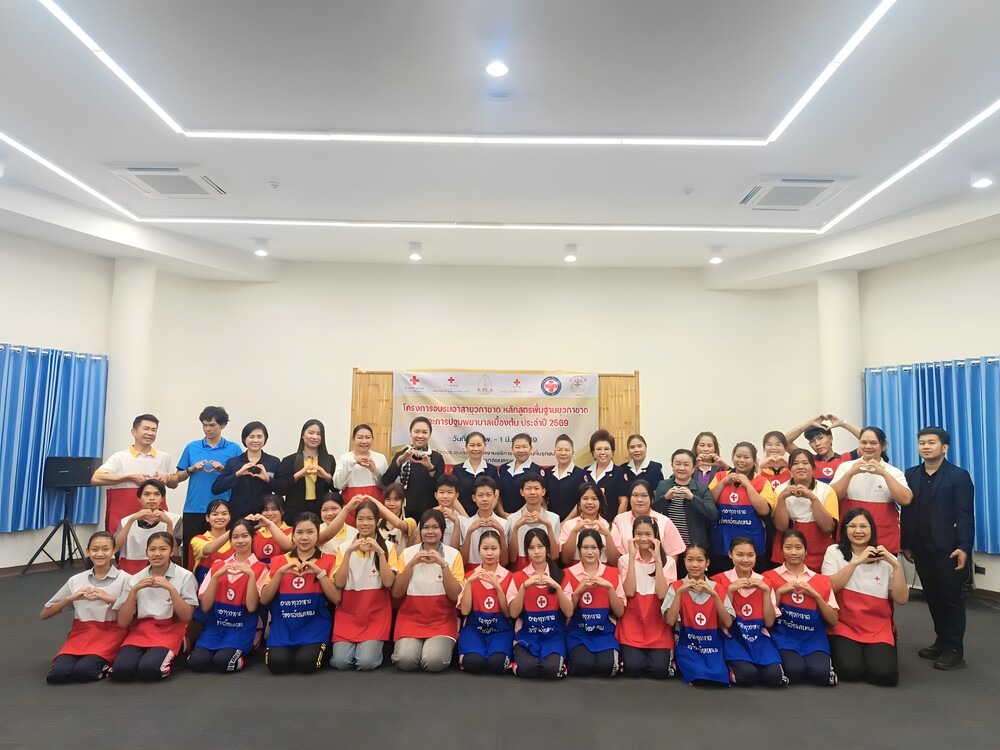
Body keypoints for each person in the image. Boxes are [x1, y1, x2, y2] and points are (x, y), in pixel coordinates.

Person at [902, 426, 975, 671]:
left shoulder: (958, 476)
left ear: (944, 447)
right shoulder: (911, 474)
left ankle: (954, 648)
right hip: (920, 547)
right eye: (922, 442)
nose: (925, 446)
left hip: (948, 548)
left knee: (950, 598)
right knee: (932, 596)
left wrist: (964, 547)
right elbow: (907, 512)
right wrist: (906, 544)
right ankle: (941, 640)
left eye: (931, 442)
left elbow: (965, 515)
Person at [822, 508, 908, 686]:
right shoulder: (834, 551)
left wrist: (896, 566)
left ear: (872, 529)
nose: (858, 531)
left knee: (885, 675)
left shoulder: (885, 558)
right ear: (845, 529)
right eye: (852, 526)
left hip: (877, 627)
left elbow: (901, 599)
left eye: (863, 526)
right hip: (844, 624)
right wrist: (856, 562)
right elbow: (829, 587)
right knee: (850, 670)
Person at [41, 531, 128, 683]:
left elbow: (134, 613)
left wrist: (109, 599)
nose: (99, 554)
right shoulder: (76, 580)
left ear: (114, 550)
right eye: (94, 549)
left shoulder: (126, 579)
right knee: (56, 675)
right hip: (81, 633)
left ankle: (108, 665)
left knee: (84, 672)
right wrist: (70, 598)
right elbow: (44, 614)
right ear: (88, 551)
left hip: (111, 633)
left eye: (105, 549)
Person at [111, 532, 198, 681]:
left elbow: (186, 616)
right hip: (142, 630)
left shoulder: (185, 576)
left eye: (163, 549)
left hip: (171, 629)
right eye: (152, 549)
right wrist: (134, 591)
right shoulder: (136, 578)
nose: (157, 554)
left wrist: (171, 588)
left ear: (171, 551)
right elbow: (123, 622)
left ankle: (179, 656)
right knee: (121, 670)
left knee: (150, 670)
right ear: (146, 552)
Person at [259, 512, 338, 674]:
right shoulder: (278, 561)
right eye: (300, 532)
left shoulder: (329, 560)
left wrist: (320, 573)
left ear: (318, 535)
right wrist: (280, 573)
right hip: (283, 628)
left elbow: (336, 598)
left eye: (310, 532)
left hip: (314, 628)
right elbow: (264, 599)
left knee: (306, 663)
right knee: (277, 664)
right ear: (293, 535)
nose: (304, 537)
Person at [188, 518, 267, 673]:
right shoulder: (218, 566)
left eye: (245, 536)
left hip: (242, 628)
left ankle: (250, 648)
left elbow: (251, 607)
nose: (240, 541)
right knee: (197, 663)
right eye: (235, 537)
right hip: (216, 627)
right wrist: (216, 577)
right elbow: (205, 606)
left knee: (222, 663)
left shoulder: (261, 568)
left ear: (253, 537)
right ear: (230, 540)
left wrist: (251, 576)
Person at [390, 509, 465, 672]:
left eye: (435, 527)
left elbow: (455, 596)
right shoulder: (407, 554)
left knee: (433, 662)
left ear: (442, 530)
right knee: (405, 661)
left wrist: (443, 565)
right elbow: (396, 593)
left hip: (442, 621)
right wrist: (411, 564)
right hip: (411, 620)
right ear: (420, 530)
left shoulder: (454, 555)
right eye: (426, 527)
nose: (430, 531)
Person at [763, 530, 839, 686]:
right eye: (788, 547)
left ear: (806, 550)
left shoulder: (822, 580)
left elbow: (833, 620)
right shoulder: (768, 577)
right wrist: (779, 592)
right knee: (794, 671)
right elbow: (767, 621)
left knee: (821, 674)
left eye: (798, 547)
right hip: (784, 638)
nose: (793, 552)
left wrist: (816, 596)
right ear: (781, 550)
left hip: (814, 641)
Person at [330, 501, 398, 671]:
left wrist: (380, 552)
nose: (365, 523)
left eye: (369, 519)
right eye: (360, 519)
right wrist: (348, 553)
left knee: (366, 663)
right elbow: (339, 582)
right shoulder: (344, 548)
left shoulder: (388, 547)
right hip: (348, 615)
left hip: (376, 615)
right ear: (355, 521)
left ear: (377, 521)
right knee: (342, 663)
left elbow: (388, 582)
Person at [711, 537, 786, 687]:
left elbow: (769, 622)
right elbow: (719, 623)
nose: (745, 560)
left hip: (759, 638)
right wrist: (730, 591)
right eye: (740, 554)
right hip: (732, 638)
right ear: (730, 554)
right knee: (746, 675)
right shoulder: (717, 580)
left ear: (756, 556)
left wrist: (765, 591)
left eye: (750, 555)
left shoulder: (765, 581)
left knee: (775, 676)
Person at [174, 406, 243, 566]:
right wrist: (191, 469)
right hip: (194, 508)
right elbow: (178, 476)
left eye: (212, 425)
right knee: (190, 555)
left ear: (223, 425)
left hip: (222, 511)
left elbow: (240, 479)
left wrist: (223, 469)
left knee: (223, 553)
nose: (208, 429)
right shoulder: (192, 447)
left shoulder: (234, 449)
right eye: (205, 425)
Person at [831, 426, 912, 553]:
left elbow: (905, 500)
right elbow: (832, 497)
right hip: (851, 536)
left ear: (883, 446)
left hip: (883, 538)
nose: (868, 446)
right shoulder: (845, 467)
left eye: (873, 443)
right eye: (863, 442)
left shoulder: (893, 471)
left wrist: (884, 473)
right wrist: (850, 473)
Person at [92, 414, 177, 534]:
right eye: (146, 429)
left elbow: (174, 483)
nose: (150, 433)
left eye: (154, 430)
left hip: (155, 519)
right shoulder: (120, 457)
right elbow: (96, 478)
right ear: (134, 432)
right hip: (123, 517)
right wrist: (130, 477)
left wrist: (167, 478)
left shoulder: (164, 457)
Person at [662, 543, 732, 686]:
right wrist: (679, 593)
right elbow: (670, 621)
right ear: (684, 561)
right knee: (698, 674)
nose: (694, 565)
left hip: (712, 644)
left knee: (718, 674)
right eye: (690, 560)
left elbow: (728, 622)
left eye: (700, 560)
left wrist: (714, 595)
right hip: (687, 643)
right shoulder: (676, 587)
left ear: (707, 563)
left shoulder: (718, 588)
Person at [507, 528, 573, 679]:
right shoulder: (518, 577)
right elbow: (513, 613)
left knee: (551, 670)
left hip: (553, 635)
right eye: (531, 548)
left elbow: (569, 612)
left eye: (540, 546)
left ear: (547, 548)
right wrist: (523, 587)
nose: (536, 552)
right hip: (527, 634)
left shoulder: (561, 575)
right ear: (526, 551)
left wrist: (557, 587)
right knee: (527, 669)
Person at [616, 516, 675, 678]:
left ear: (656, 536)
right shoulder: (624, 560)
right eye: (639, 534)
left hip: (657, 624)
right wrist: (632, 558)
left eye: (648, 534)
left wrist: (658, 560)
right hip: (632, 623)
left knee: (659, 670)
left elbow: (662, 594)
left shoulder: (668, 562)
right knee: (633, 668)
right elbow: (629, 592)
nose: (643, 538)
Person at [563, 530, 627, 677]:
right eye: (585, 547)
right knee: (582, 665)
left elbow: (620, 612)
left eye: (594, 547)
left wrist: (609, 588)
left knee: (607, 667)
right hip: (578, 634)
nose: (590, 552)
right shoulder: (567, 573)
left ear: (601, 549)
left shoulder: (613, 573)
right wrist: (577, 593)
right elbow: (567, 612)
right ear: (579, 549)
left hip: (604, 633)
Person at [708, 442, 777, 572]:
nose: (741, 460)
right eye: (738, 456)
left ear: (754, 460)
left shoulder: (762, 482)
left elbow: (764, 511)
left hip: (751, 546)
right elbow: (708, 502)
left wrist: (748, 485)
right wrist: (723, 483)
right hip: (722, 543)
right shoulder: (719, 477)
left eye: (746, 457)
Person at [652, 449, 717, 577]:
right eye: (677, 464)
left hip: (693, 548)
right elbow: (653, 511)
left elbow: (713, 514)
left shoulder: (701, 488)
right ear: (672, 466)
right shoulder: (663, 485)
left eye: (686, 464)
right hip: (669, 547)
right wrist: (665, 497)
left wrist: (693, 498)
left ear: (693, 468)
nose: (681, 468)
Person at [457, 530, 515, 674]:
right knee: (474, 663)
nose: (489, 553)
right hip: (474, 629)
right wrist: (469, 584)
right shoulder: (470, 576)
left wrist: (497, 587)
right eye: (485, 548)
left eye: (494, 548)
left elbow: (508, 613)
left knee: (496, 663)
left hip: (500, 631)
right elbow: (465, 611)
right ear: (479, 550)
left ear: (500, 550)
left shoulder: (509, 576)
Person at [772, 449, 838, 570]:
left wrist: (813, 498)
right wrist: (781, 498)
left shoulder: (826, 490)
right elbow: (781, 527)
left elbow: (828, 527)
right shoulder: (780, 490)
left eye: (805, 463)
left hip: (819, 549)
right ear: (790, 468)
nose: (800, 467)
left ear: (813, 468)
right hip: (789, 549)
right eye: (795, 463)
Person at [211, 421, 280, 521]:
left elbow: (281, 490)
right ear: (244, 439)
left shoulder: (274, 462)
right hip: (238, 517)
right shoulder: (234, 462)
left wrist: (268, 479)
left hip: (265, 516)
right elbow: (216, 488)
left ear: (265, 439)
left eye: (259, 437)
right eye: (251, 437)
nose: (255, 440)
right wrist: (238, 474)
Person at [382, 417, 446, 521]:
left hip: (429, 512)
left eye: (424, 432)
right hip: (405, 511)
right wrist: (399, 461)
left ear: (430, 434)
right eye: (416, 432)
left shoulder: (436, 457)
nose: (420, 436)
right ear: (410, 433)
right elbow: (386, 481)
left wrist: (430, 467)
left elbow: (441, 487)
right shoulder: (402, 455)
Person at [274, 419, 337, 521]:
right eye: (311, 433)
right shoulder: (289, 460)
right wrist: (297, 475)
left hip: (321, 510)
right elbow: (280, 489)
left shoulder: (329, 459)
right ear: (303, 435)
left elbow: (336, 489)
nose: (314, 437)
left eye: (319, 434)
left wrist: (326, 476)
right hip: (295, 511)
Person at [114, 479, 180, 574]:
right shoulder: (126, 520)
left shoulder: (174, 519)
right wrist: (131, 521)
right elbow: (115, 547)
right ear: (139, 498)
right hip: (130, 572)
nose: (152, 498)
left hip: (162, 571)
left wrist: (169, 524)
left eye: (156, 494)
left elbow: (173, 548)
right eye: (147, 494)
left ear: (162, 498)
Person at [612, 480, 685, 562]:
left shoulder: (664, 521)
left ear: (651, 499)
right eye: (635, 495)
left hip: (658, 569)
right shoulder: (619, 520)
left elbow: (673, 554)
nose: (639, 500)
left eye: (644, 496)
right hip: (627, 568)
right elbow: (615, 555)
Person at [333, 423, 389, 522]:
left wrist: (374, 470)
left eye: (368, 437)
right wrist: (352, 462)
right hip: (351, 508)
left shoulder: (380, 458)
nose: (364, 441)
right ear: (353, 439)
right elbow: (338, 485)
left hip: (376, 507)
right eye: (360, 437)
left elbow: (386, 486)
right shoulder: (344, 458)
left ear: (372, 439)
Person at [506, 473, 561, 570]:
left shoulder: (554, 518)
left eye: (536, 488)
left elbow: (554, 556)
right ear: (522, 492)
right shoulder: (512, 519)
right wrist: (516, 527)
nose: (532, 492)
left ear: (543, 491)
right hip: (520, 570)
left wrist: (548, 525)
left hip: (545, 571)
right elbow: (512, 558)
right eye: (528, 489)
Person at [785, 414, 862, 483]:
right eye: (812, 441)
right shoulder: (809, 460)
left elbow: (867, 440)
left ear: (830, 438)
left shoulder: (846, 458)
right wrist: (808, 424)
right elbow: (785, 441)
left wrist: (843, 423)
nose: (817, 444)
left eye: (820, 438)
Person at [459, 476, 508, 576]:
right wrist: (469, 532)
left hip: (496, 574)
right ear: (474, 498)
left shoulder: (504, 524)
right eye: (480, 495)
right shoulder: (465, 524)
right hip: (471, 573)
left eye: (488, 495)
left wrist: (501, 531)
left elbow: (504, 562)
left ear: (495, 496)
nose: (485, 499)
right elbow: (462, 561)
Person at [559, 484, 618, 567]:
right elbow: (565, 560)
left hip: (603, 571)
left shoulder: (610, 527)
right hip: (575, 571)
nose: (589, 502)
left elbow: (615, 562)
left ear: (600, 502)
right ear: (579, 502)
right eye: (585, 498)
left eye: (594, 499)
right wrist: (574, 532)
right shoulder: (568, 525)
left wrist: (607, 535)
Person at [451, 431, 500, 515]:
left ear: (484, 446)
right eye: (472, 445)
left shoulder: (492, 470)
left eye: (479, 445)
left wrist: (484, 516)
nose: (476, 449)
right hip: (461, 518)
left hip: (486, 518)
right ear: (466, 447)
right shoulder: (457, 470)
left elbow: (496, 494)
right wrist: (466, 519)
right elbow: (453, 495)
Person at [498, 433, 546, 515]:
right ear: (512, 449)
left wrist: (516, 515)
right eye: (517, 447)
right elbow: (498, 494)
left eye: (524, 447)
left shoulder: (537, 470)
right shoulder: (504, 468)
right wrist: (502, 513)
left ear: (531, 448)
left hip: (527, 516)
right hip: (503, 517)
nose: (521, 450)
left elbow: (540, 498)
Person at [615, 434, 664, 513]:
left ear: (646, 448)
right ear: (628, 450)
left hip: (649, 513)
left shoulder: (656, 468)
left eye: (639, 446)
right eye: (632, 447)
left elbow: (658, 495)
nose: (636, 450)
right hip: (628, 513)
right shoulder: (623, 469)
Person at [188, 499, 232, 585]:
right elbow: (209, 549)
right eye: (215, 514)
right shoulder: (197, 540)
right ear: (207, 518)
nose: (220, 517)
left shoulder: (236, 541)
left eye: (224, 514)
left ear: (230, 516)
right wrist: (234, 529)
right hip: (203, 589)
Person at [582, 429, 621, 522]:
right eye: (598, 449)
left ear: (612, 452)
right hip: (587, 523)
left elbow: (623, 502)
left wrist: (616, 523)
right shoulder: (585, 471)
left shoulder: (619, 472)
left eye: (606, 449)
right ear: (593, 452)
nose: (603, 452)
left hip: (610, 523)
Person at [545, 433, 586, 520]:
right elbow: (543, 498)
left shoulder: (580, 474)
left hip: (573, 522)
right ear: (554, 452)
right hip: (551, 522)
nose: (563, 453)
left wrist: (565, 523)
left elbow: (581, 502)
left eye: (567, 450)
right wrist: (549, 519)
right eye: (559, 450)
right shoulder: (547, 473)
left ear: (572, 452)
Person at [246, 494, 293, 565]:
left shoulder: (292, 531)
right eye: (265, 510)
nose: (270, 513)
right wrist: (242, 524)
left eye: (274, 509)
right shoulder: (254, 534)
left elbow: (289, 546)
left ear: (282, 511)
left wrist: (270, 524)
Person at [378, 482, 416, 557]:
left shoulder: (410, 522)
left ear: (403, 501)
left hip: (401, 563)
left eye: (396, 499)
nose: (391, 503)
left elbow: (398, 524)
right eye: (388, 499)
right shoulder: (378, 523)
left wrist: (376, 504)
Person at [316, 491, 358, 555]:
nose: (329, 513)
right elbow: (325, 537)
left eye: (334, 508)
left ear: (342, 508)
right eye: (324, 510)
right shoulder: (315, 530)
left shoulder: (355, 532)